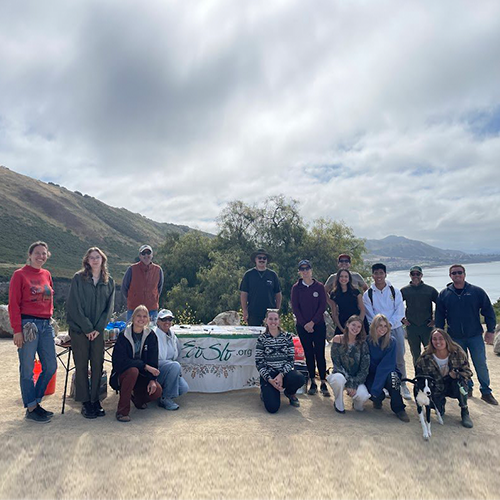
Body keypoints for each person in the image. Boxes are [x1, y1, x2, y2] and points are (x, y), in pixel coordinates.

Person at [8, 241, 57, 423]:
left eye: (44, 253)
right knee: (27, 369)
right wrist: (17, 330)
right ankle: (32, 408)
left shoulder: (46, 274)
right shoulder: (19, 275)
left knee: (51, 366)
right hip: (28, 325)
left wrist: (50, 318)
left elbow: (50, 299)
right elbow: (13, 304)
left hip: (46, 325)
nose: (41, 256)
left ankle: (34, 402)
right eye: (37, 253)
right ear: (30, 255)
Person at [435, 264, 498, 405]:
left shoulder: (476, 291)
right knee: (461, 365)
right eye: (454, 273)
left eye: (459, 272)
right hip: (455, 337)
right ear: (450, 276)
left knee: (480, 364)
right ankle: (467, 388)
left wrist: (490, 330)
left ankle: (486, 392)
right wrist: (439, 334)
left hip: (475, 335)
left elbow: (488, 311)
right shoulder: (444, 294)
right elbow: (439, 316)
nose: (457, 275)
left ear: (464, 274)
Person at [66, 247, 115, 419]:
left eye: (97, 257)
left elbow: (109, 308)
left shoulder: (109, 282)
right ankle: (85, 402)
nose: (95, 260)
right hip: (80, 330)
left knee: (97, 364)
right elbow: (74, 305)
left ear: (103, 260)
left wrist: (98, 328)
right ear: (87, 260)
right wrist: (87, 328)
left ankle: (95, 400)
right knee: (81, 365)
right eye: (91, 257)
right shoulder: (78, 278)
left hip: (98, 332)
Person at [363, 263, 411, 400]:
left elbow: (399, 311)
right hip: (376, 331)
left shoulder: (395, 291)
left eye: (381, 273)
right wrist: (380, 327)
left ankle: (402, 384)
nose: (378, 276)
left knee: (399, 357)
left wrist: (388, 325)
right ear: (372, 275)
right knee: (378, 358)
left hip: (395, 328)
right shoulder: (368, 294)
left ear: (385, 274)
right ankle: (383, 385)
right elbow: (369, 314)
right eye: (376, 273)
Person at [110, 305, 162, 422]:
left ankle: (137, 399)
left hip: (142, 375)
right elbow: (119, 362)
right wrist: (144, 366)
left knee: (157, 391)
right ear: (133, 318)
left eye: (144, 316)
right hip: (123, 374)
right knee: (133, 371)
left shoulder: (151, 336)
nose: (141, 319)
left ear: (148, 319)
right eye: (138, 316)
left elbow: (153, 360)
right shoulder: (124, 335)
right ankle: (122, 412)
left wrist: (152, 380)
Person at [415, 328, 474, 428]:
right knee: (437, 408)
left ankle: (464, 410)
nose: (438, 342)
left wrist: (457, 375)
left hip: (453, 383)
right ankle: (440, 405)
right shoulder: (425, 357)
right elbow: (419, 376)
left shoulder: (457, 352)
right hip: (436, 385)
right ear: (431, 341)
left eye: (441, 338)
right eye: (434, 339)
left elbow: (468, 372)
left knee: (461, 384)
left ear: (447, 339)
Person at [291, 260, 329, 396]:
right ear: (299, 272)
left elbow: (322, 306)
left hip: (318, 325)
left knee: (320, 353)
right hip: (302, 326)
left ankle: (323, 382)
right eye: (302, 269)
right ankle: (312, 381)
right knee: (308, 354)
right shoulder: (296, 288)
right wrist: (305, 324)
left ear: (311, 270)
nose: (305, 271)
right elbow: (295, 307)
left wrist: (312, 322)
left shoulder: (319, 286)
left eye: (307, 269)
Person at [255, 309, 305, 413]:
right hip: (269, 375)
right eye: (270, 319)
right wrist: (269, 379)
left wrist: (281, 375)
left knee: (299, 378)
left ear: (279, 321)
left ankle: (290, 393)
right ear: (266, 320)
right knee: (272, 408)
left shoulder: (287, 337)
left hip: (284, 373)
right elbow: (259, 362)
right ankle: (266, 392)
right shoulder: (261, 339)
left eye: (275, 319)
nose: (273, 322)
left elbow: (290, 359)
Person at [365, 314, 410, 422]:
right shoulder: (367, 341)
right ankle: (378, 399)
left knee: (393, 380)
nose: (383, 328)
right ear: (374, 326)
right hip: (371, 373)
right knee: (375, 394)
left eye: (385, 326)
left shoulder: (391, 341)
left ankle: (399, 408)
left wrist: (377, 387)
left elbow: (387, 365)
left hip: (387, 371)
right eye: (380, 325)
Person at [327, 315, 370, 414]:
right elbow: (336, 363)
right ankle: (338, 402)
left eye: (359, 327)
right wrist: (349, 382)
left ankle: (356, 403)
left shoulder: (363, 344)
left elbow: (364, 369)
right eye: (353, 325)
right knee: (338, 379)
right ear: (347, 324)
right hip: (340, 374)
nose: (355, 328)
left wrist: (353, 383)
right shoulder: (337, 339)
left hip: (356, 378)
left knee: (363, 396)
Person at [400, 265, 439, 366]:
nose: (415, 276)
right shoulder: (404, 290)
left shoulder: (430, 290)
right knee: (415, 354)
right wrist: (402, 319)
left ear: (421, 275)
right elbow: (396, 306)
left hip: (427, 327)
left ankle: (432, 373)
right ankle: (418, 374)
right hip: (411, 327)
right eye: (413, 274)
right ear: (410, 275)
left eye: (418, 274)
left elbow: (441, 305)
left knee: (431, 353)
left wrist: (436, 319)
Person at [154, 309, 189, 411]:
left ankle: (161, 394)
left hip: (171, 368)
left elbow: (177, 354)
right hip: (157, 368)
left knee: (184, 388)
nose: (167, 322)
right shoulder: (153, 335)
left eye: (169, 319)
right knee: (175, 366)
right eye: (164, 319)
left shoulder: (173, 335)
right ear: (158, 321)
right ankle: (166, 398)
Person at [122, 245, 164, 323]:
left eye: (148, 253)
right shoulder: (132, 269)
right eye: (143, 253)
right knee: (130, 330)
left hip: (152, 310)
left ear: (152, 255)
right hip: (133, 309)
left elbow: (159, 288)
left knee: (151, 330)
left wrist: (153, 298)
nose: (146, 255)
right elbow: (124, 287)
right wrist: (132, 298)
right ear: (140, 256)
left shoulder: (158, 270)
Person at [240, 249, 282, 326]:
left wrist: (277, 310)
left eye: (264, 258)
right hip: (253, 312)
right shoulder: (248, 274)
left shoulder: (272, 275)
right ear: (255, 259)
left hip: (270, 313)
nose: (262, 260)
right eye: (259, 258)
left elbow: (278, 294)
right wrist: (245, 310)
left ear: (267, 260)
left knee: (270, 333)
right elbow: (244, 294)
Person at [327, 269, 366, 335]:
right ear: (338, 278)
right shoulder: (334, 294)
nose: (343, 278)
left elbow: (362, 310)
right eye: (341, 276)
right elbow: (334, 313)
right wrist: (341, 328)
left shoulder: (355, 292)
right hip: (343, 322)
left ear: (349, 278)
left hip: (357, 320)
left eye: (346, 276)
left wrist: (358, 325)